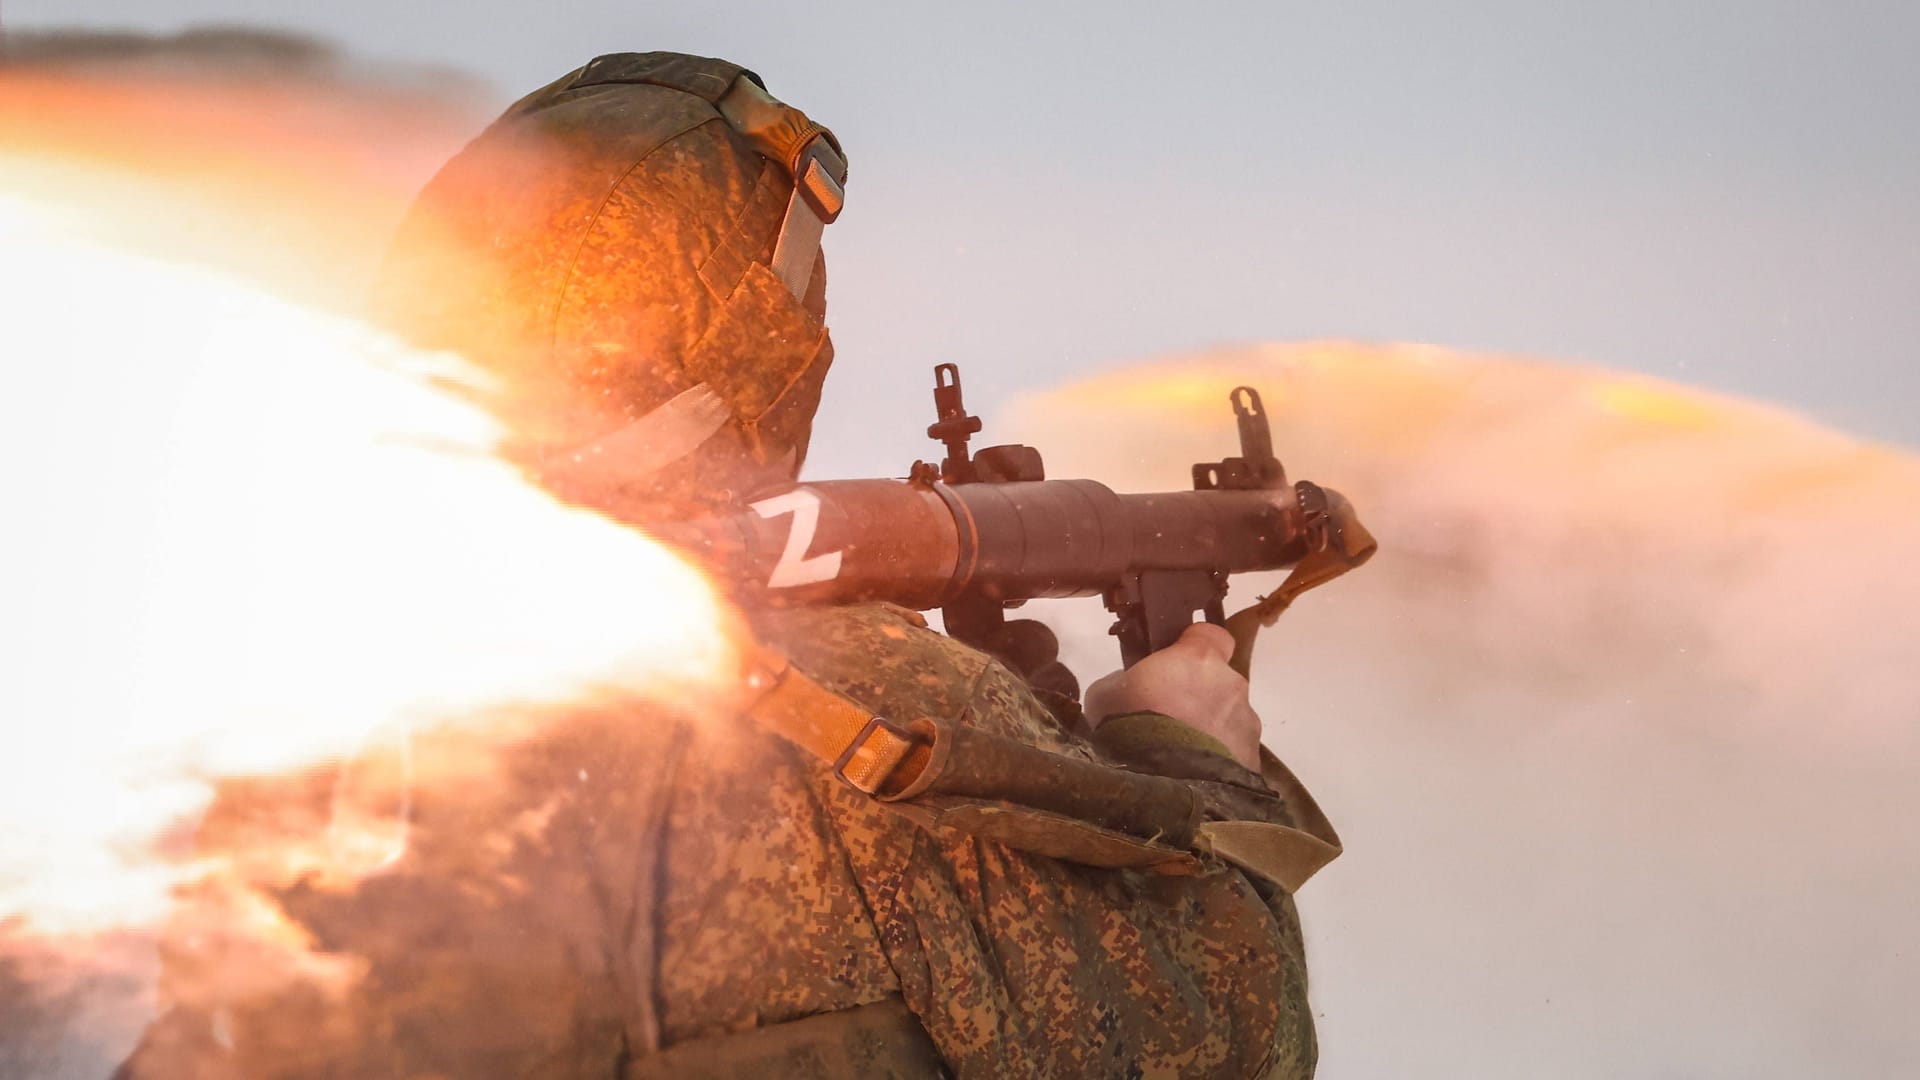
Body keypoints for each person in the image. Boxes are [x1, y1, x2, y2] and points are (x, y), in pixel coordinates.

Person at [119, 52, 1340, 1079]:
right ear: (753, 333)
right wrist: (1188, 751)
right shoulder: (868, 715)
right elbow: (1231, 1039)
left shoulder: (272, 711)